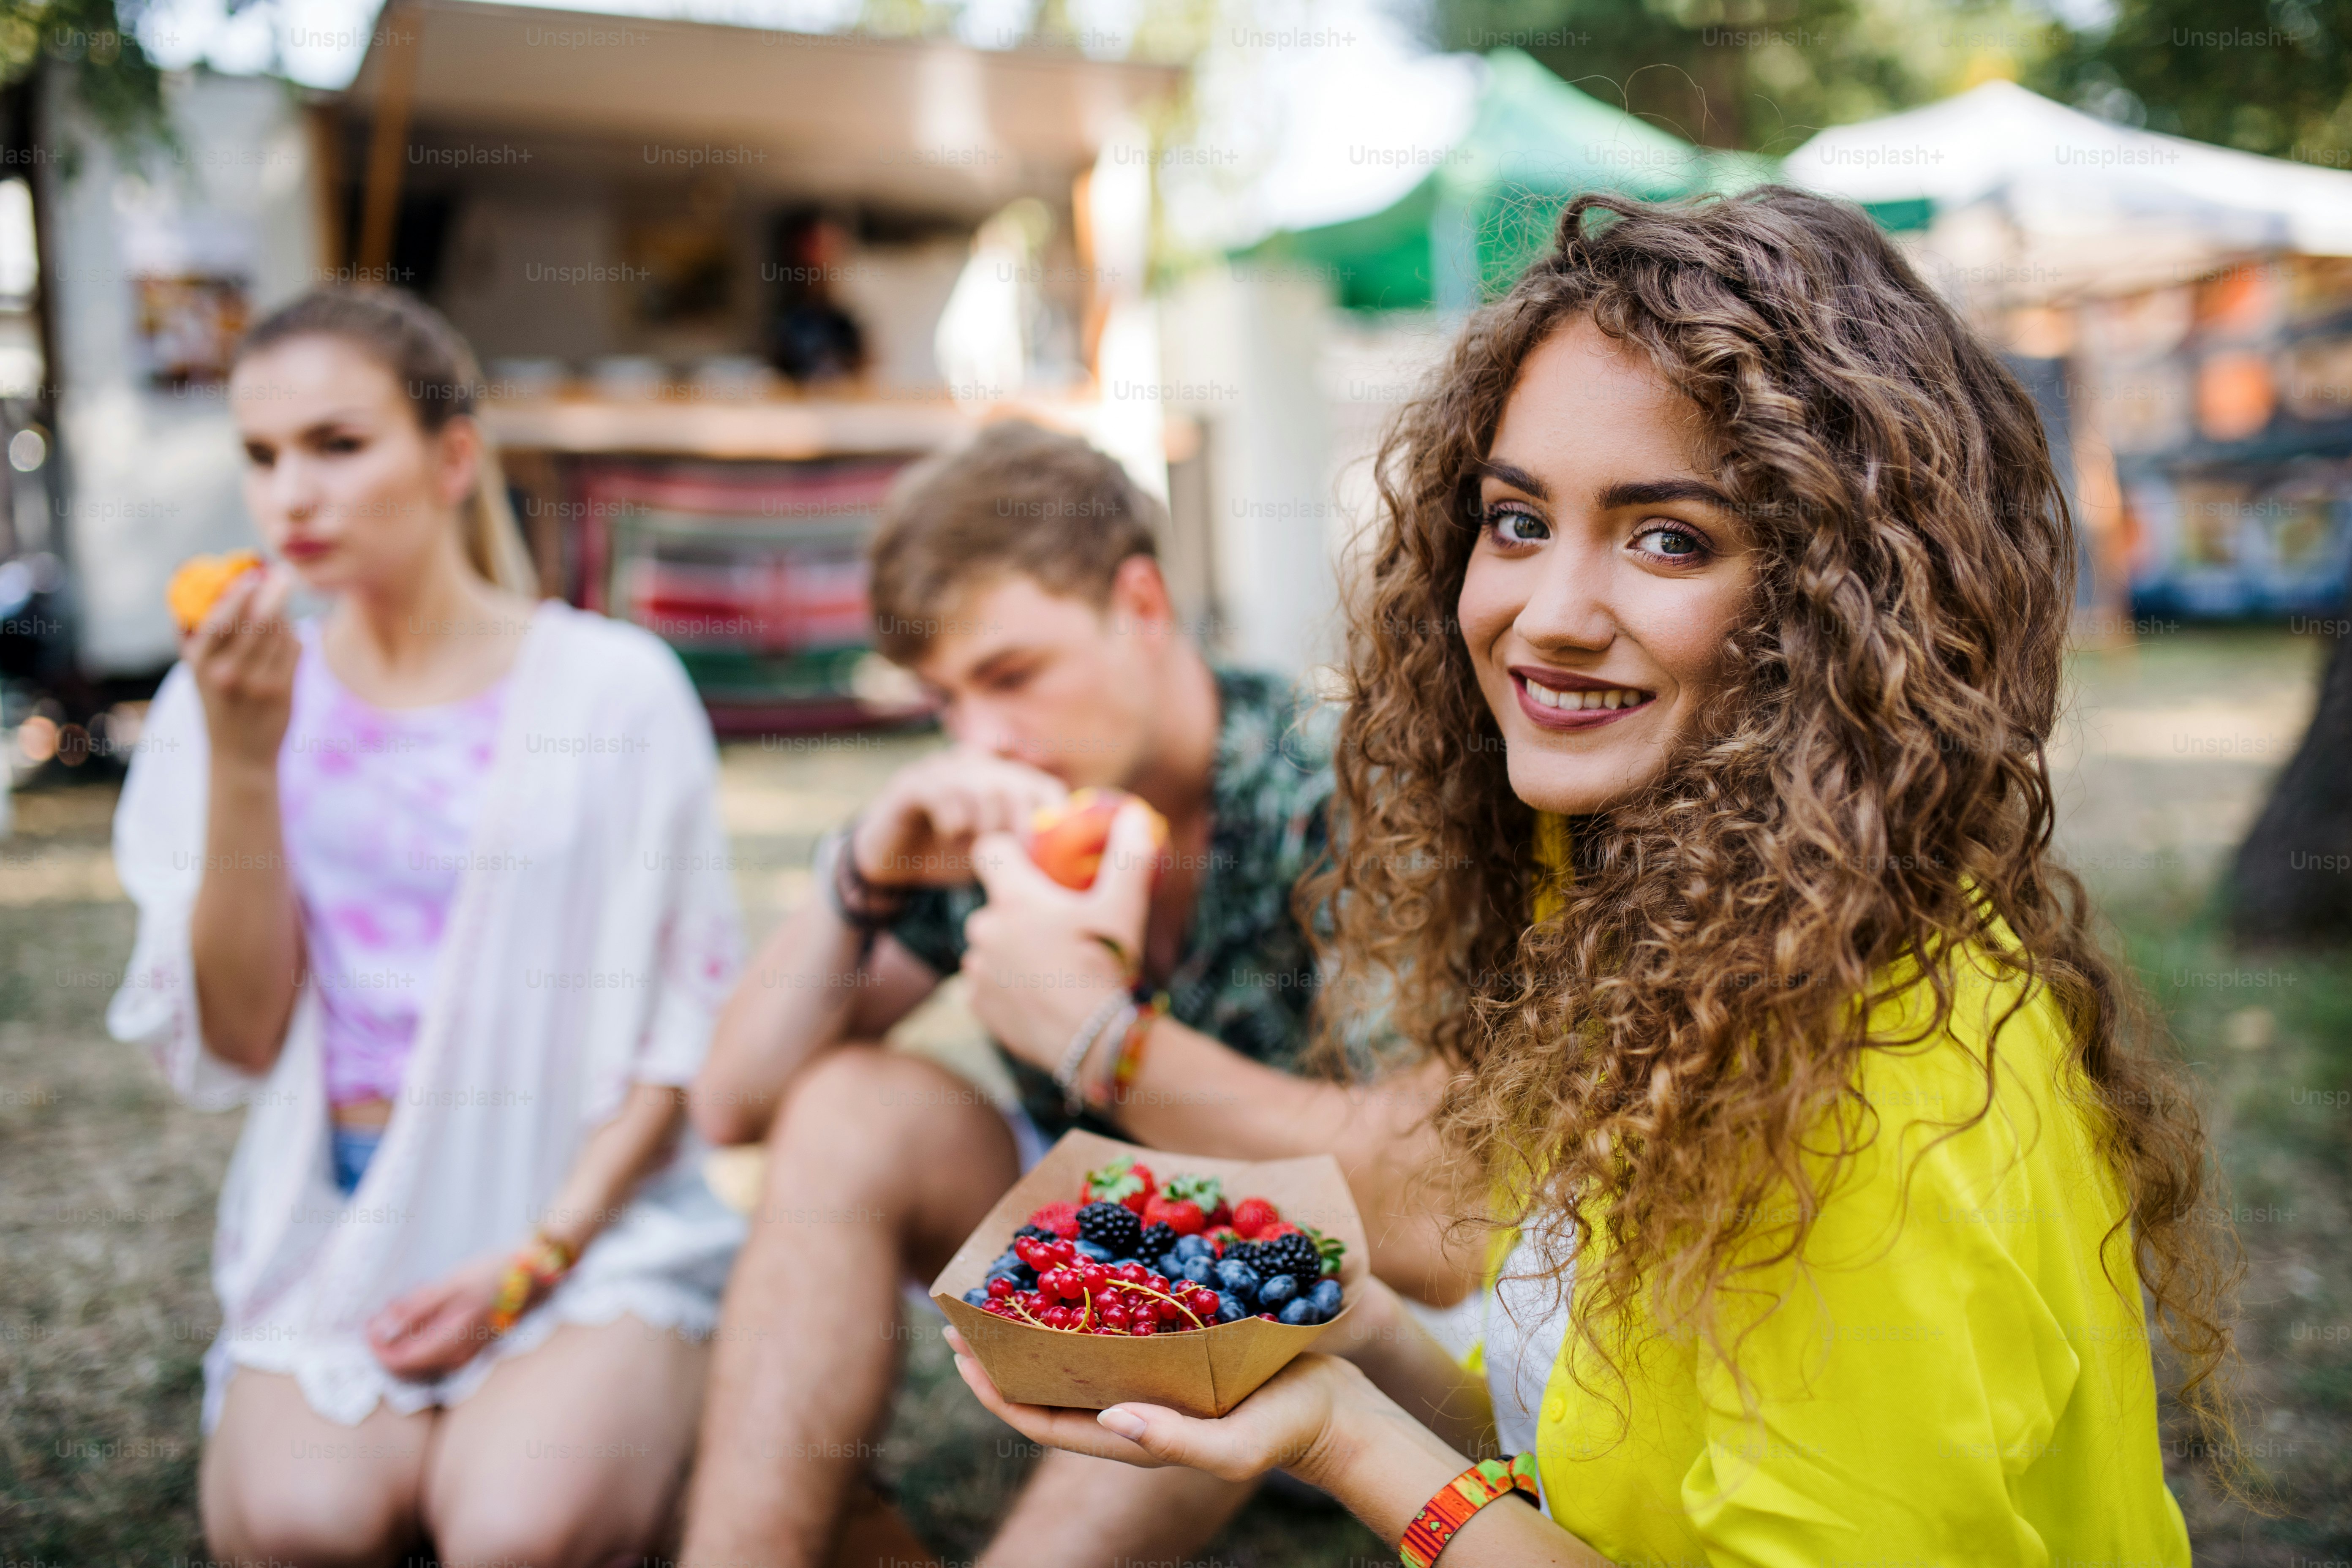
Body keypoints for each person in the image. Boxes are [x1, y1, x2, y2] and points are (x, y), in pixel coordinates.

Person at [949, 188, 2233, 1565]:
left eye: (1668, 537)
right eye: (1516, 521)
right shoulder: (1679, 917)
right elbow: (1599, 1468)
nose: (1545, 618)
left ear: (1839, 607)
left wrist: (1347, 1445)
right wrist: (1341, 1336)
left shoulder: (1882, 1079)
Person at [679, 420, 1471, 1568]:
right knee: (852, 1104)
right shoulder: (1028, 817)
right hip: (1107, 1332)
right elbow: (731, 1108)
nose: (983, 737)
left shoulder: (1342, 793)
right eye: (942, 701)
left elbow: (1432, 1229)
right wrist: (862, 872)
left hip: (1364, 1358)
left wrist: (1102, 1036)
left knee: (1200, 1253)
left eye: (1010, 675)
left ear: (1141, 604)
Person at [108, 287, 744, 1567]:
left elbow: (684, 1029)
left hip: (578, 1206)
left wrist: (536, 1255)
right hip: (345, 1211)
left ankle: (674, 1411)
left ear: (455, 458)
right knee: (302, 1524)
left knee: (519, 1530)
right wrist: (244, 763)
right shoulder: (225, 702)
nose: (292, 494)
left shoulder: (615, 691)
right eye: (263, 454)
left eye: (339, 446)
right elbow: (237, 1040)